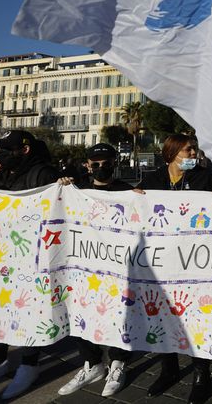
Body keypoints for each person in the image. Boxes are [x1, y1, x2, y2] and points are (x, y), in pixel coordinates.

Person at [135, 134, 212, 404]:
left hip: (194, 263)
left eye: (193, 149)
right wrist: (134, 197)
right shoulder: (152, 180)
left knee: (195, 317)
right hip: (163, 264)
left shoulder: (206, 178)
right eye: (187, 150)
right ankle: (169, 369)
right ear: (171, 153)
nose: (192, 154)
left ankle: (202, 373)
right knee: (163, 315)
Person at [0, 130, 61, 399]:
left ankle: (29, 364)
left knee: (31, 309)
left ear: (24, 150)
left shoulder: (44, 175)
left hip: (32, 258)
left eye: (5, 151)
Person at [56, 143, 133, 397]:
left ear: (115, 163)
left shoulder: (128, 191)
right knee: (80, 310)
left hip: (117, 267)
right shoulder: (77, 190)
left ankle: (118, 363)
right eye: (96, 163)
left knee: (119, 313)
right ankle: (92, 364)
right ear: (88, 165)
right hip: (85, 266)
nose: (101, 167)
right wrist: (63, 185)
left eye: (107, 162)